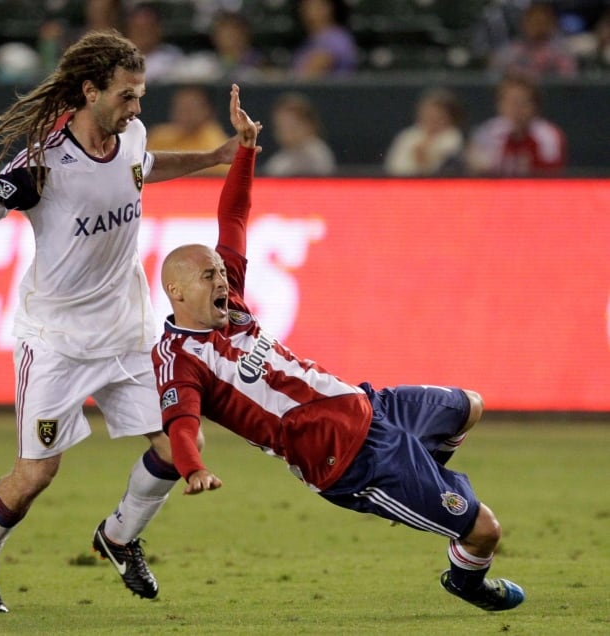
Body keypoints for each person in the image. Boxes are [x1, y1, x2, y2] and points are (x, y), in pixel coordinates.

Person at [152, 84, 526, 613]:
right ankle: (465, 580)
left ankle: (425, 479)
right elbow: (182, 425)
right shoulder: (180, 359)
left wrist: (246, 151)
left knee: (469, 405)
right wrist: (192, 470)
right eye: (209, 274)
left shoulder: (227, 299)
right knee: (485, 531)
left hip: (370, 407)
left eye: (219, 270)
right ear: (177, 291)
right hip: (347, 461)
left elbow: (233, 219)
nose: (222, 278)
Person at [0, 30, 242, 613]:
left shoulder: (131, 135)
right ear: (89, 91)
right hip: (57, 340)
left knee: (178, 441)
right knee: (35, 475)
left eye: (140, 96)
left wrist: (213, 158)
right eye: (127, 97)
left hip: (129, 331)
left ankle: (118, 536)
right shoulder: (43, 162)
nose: (138, 110)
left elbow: (146, 166)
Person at [465, 72, 567, 177]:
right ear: (500, 105)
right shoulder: (487, 132)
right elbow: (477, 168)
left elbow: (551, 176)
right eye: (510, 102)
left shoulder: (548, 135)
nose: (516, 109)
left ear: (535, 106)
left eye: (522, 102)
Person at [147, 85, 229, 176]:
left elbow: (219, 173)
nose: (183, 113)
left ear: (208, 110)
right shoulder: (158, 136)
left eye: (190, 108)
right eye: (179, 107)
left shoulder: (216, 143)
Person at [384, 87, 465, 177]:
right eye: (428, 113)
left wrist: (424, 154)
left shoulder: (453, 137)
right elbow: (393, 168)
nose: (431, 118)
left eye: (437, 115)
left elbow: (438, 170)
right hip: (401, 185)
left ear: (449, 117)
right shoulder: (408, 135)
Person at [489, 2, 578, 79]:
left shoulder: (561, 52)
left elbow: (568, 81)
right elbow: (494, 76)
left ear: (551, 24)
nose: (538, 27)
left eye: (541, 22)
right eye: (533, 22)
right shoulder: (510, 52)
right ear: (524, 24)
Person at [261, 91, 336, 177]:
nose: (286, 132)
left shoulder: (318, 153)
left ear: (309, 124)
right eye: (281, 126)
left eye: (292, 126)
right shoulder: (278, 162)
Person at [290, 0, 358, 79]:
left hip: (331, 90)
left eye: (317, 6)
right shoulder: (311, 39)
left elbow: (309, 73)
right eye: (306, 6)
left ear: (330, 8)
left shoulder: (336, 37)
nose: (310, 11)